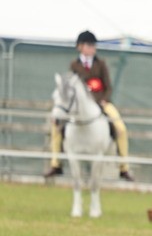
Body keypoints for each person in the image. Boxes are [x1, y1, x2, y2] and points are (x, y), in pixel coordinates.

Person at [46, 30, 134, 181]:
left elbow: (109, 86)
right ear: (80, 47)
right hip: (79, 107)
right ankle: (56, 163)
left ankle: (123, 167)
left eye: (93, 45)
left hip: (101, 102)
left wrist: (104, 100)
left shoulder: (101, 64)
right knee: (57, 126)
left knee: (120, 128)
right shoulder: (74, 65)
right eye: (89, 45)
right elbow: (69, 88)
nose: (92, 48)